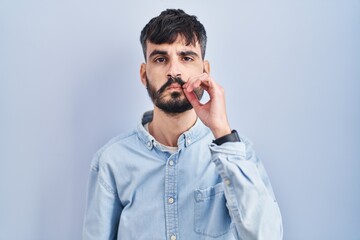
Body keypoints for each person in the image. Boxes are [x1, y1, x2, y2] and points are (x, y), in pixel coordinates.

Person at [82, 9, 283, 240]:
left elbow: (267, 236)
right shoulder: (111, 161)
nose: (173, 71)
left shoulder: (238, 154)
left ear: (205, 71)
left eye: (186, 58)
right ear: (144, 74)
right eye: (160, 59)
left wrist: (222, 133)